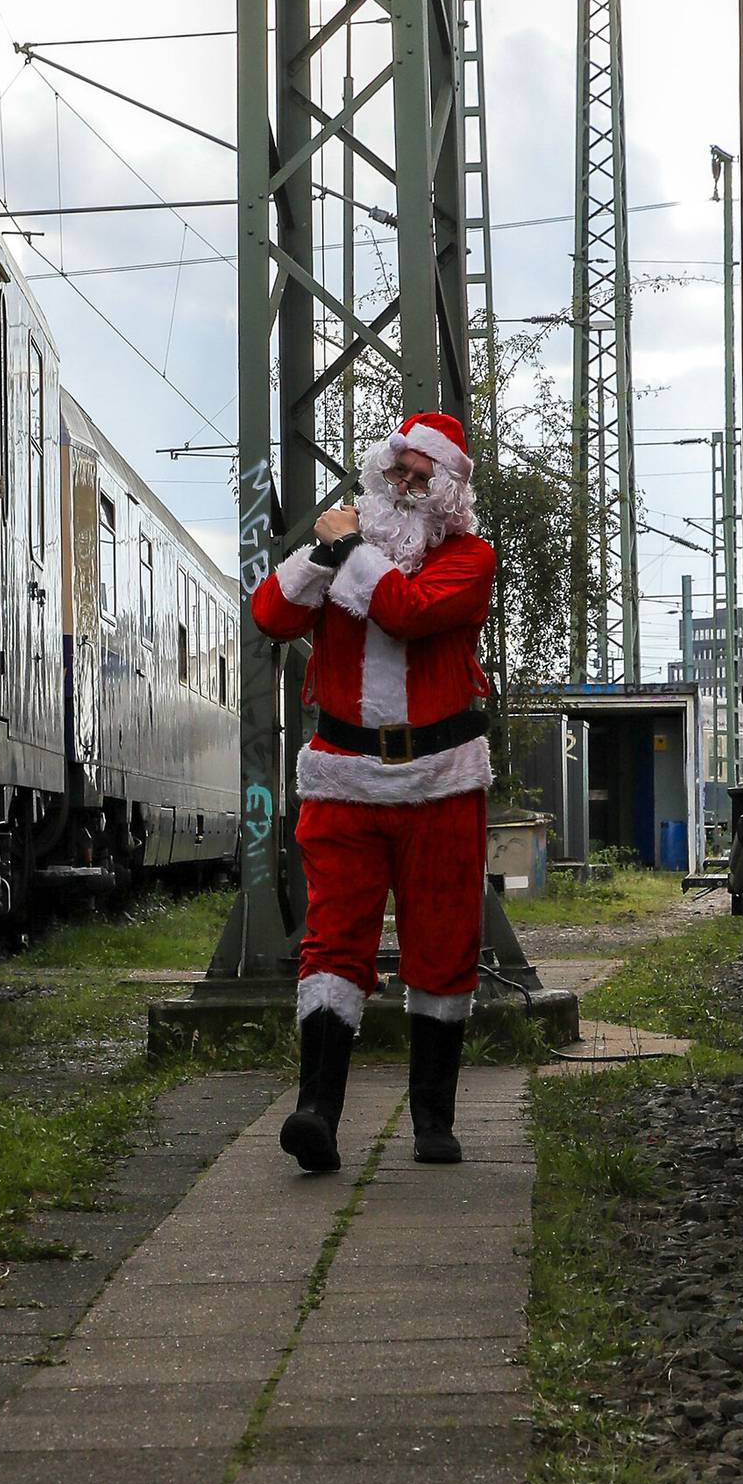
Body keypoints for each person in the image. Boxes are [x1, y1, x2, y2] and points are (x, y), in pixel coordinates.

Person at [248, 409, 494, 1171]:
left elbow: (406, 613)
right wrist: (318, 557)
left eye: (427, 477)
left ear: (450, 491)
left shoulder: (470, 558)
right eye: (401, 471)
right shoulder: (341, 555)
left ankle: (432, 1121)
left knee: (444, 942)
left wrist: (347, 546)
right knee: (331, 942)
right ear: (380, 472)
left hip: (441, 782)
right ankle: (315, 1113)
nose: (410, 486)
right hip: (345, 782)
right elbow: (271, 615)